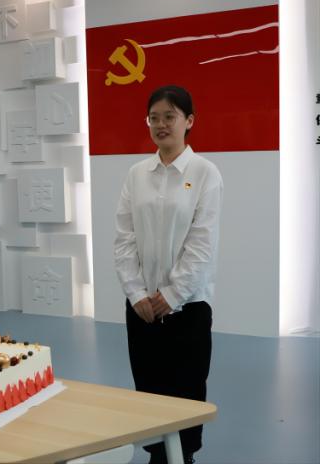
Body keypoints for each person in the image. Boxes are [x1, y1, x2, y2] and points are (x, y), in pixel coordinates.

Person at [114, 85, 223, 464]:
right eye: (154, 117)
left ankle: (184, 456)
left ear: (188, 121)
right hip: (142, 308)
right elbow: (124, 239)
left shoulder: (205, 173)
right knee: (149, 388)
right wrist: (136, 294)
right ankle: (158, 455)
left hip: (188, 307)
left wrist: (172, 295)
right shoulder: (136, 174)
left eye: (169, 117)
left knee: (187, 390)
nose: (161, 125)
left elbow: (202, 243)